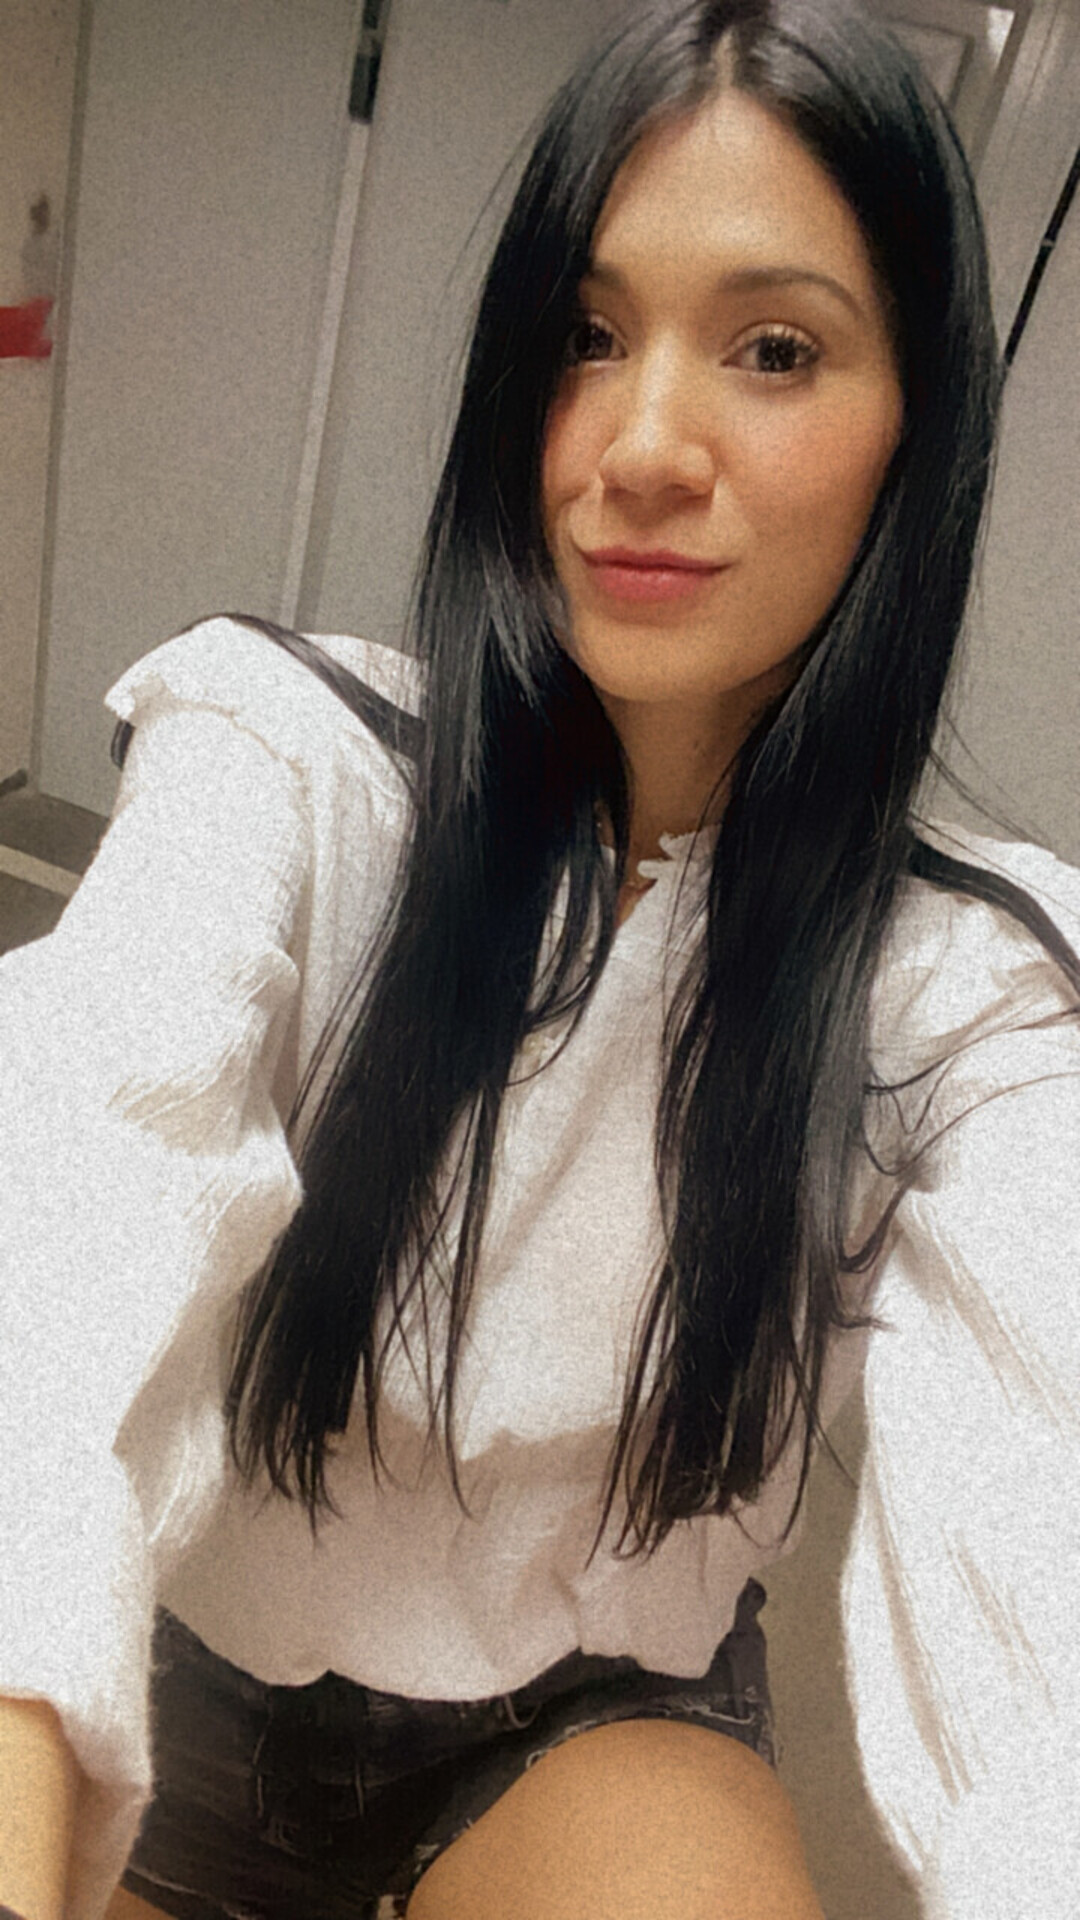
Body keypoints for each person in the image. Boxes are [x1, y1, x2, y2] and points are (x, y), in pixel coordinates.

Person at [1, 0, 1078, 1915]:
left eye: (773, 349)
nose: (641, 447)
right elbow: (70, 1214)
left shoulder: (966, 994)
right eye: (587, 335)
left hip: (593, 1713)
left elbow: (1049, 1554)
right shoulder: (291, 761)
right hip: (181, 1676)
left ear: (917, 426)